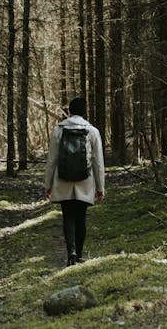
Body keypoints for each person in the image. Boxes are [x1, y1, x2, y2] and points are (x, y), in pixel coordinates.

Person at [44, 97, 105, 266]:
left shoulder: (58, 129)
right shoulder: (92, 131)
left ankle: (70, 253)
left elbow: (52, 160)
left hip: (62, 179)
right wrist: (100, 188)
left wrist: (47, 185)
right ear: (84, 112)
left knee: (68, 217)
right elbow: (98, 162)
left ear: (69, 111)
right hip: (85, 180)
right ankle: (78, 255)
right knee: (81, 217)